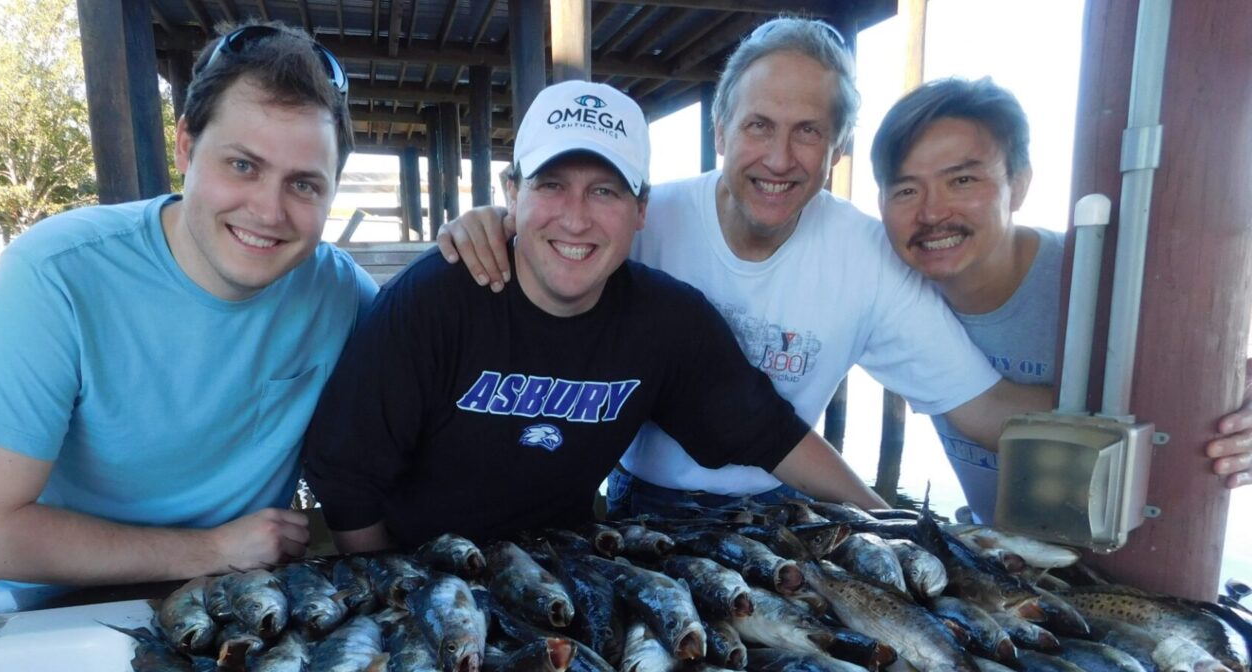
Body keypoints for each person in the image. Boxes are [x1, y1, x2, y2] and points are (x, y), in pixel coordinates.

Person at [438, 17, 1252, 517]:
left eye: (808, 133)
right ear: (721, 128)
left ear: (836, 150)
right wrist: (490, 227)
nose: (779, 158)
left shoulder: (866, 255)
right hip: (638, 500)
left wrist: (1192, 408)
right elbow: (554, 255)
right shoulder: (643, 220)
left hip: (790, 503)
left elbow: (983, 409)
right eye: (758, 125)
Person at [303, 80, 886, 553]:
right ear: (513, 193)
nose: (576, 220)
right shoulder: (434, 300)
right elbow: (347, 475)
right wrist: (394, 591)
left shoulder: (665, 319)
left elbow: (771, 434)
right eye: (552, 185)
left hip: (564, 571)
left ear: (640, 209)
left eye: (605, 191)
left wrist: (889, 525)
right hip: (421, 564)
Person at [0, 23, 376, 586]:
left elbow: (439, 369)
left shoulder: (342, 293)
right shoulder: (56, 272)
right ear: (187, 146)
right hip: (68, 610)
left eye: (304, 185)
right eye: (243, 165)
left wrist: (483, 241)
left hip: (249, 603)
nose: (269, 211)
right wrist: (210, 550)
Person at [872, 76, 1252, 519]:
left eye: (962, 180)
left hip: (1126, 560)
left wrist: (1234, 410)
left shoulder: (1105, 284)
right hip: (995, 555)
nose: (933, 212)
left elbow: (1217, 375)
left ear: (1019, 184)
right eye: (905, 190)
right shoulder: (890, 292)